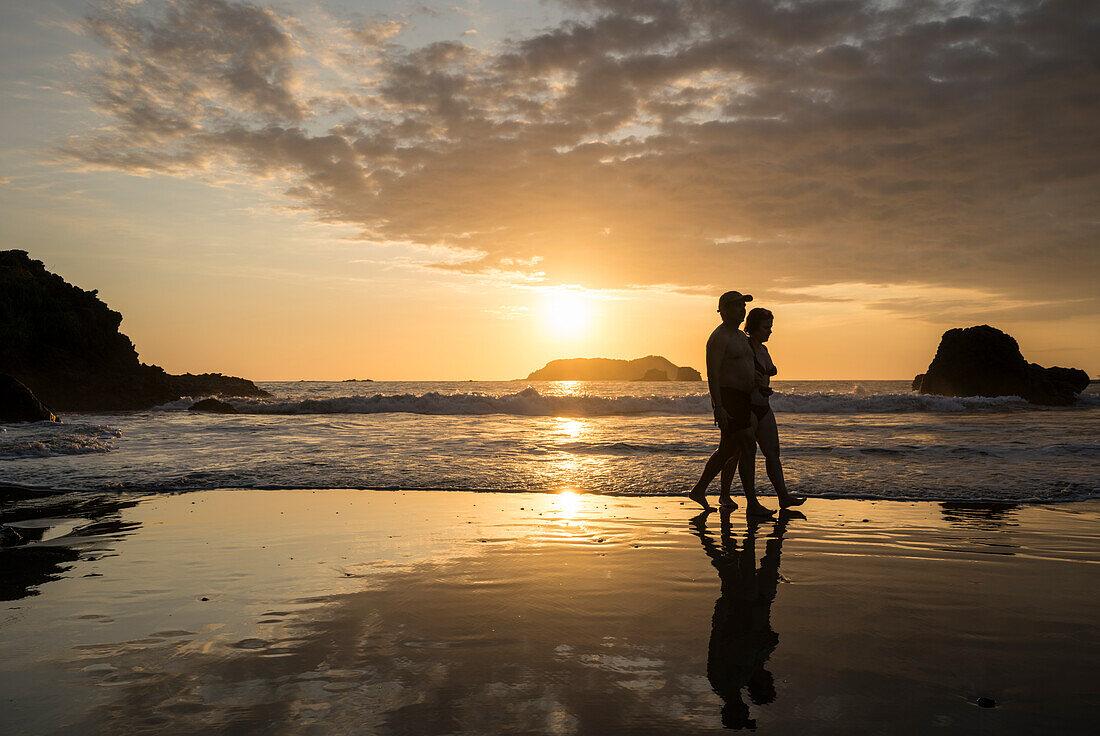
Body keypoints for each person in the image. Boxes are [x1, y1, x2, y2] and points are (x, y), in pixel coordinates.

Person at [687, 291, 772, 516]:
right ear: (723, 310)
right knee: (747, 446)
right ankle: (752, 504)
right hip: (729, 398)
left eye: (743, 306)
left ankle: (698, 490)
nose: (742, 310)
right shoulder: (719, 337)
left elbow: (746, 367)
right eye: (736, 306)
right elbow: (712, 373)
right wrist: (718, 406)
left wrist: (759, 384)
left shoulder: (740, 337)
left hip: (744, 398)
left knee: (727, 449)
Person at [720, 308, 805, 509]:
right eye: (766, 327)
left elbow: (770, 369)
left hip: (763, 407)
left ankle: (783, 497)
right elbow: (736, 372)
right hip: (745, 407)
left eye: (771, 327)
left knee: (772, 452)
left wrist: (765, 381)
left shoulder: (763, 349)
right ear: (754, 327)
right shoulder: (745, 348)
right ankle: (727, 496)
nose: (770, 332)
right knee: (735, 453)